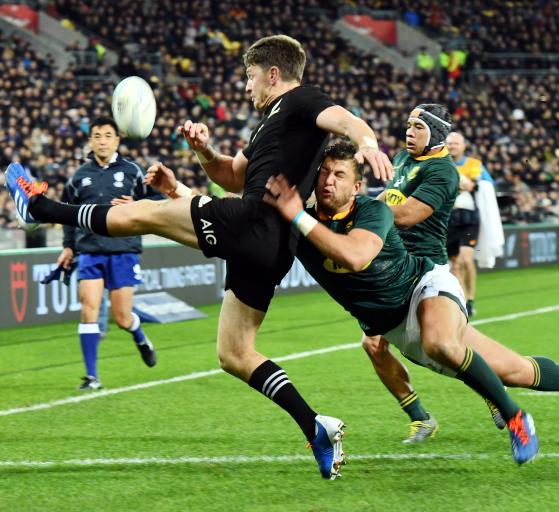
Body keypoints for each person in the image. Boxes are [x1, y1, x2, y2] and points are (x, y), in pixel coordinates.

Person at [5, 35, 392, 480]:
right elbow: (230, 174)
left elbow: (344, 118)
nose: (246, 88)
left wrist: (367, 141)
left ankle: (38, 208)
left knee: (144, 213)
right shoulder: (270, 127)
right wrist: (204, 151)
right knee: (234, 352)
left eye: (249, 77)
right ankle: (315, 426)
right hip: (272, 245)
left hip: (254, 222)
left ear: (272, 74)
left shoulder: (302, 101)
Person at [262, 141, 559, 460]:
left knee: (440, 341)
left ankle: (516, 417)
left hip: (425, 286)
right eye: (324, 172)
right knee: (516, 371)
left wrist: (295, 215)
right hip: (396, 327)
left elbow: (355, 256)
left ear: (357, 185)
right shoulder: (300, 221)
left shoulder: (372, 211)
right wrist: (206, 154)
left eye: (339, 174)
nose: (328, 180)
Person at [364, 104, 459, 442]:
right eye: (408, 125)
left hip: (426, 269)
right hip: (396, 265)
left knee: (441, 349)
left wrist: (363, 210)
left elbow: (405, 215)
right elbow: (391, 200)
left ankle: (491, 389)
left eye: (418, 126)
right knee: (374, 345)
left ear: (436, 133)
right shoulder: (404, 160)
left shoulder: (443, 171)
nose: (409, 132)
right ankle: (420, 418)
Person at [58, 116, 160, 390]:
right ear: (91, 141)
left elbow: (161, 201)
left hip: (123, 251)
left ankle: (139, 336)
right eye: (97, 136)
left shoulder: (133, 171)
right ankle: (92, 377)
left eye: (107, 135)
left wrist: (139, 203)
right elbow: (68, 215)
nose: (102, 140)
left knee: (122, 318)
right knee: (88, 310)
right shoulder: (78, 177)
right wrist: (68, 246)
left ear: (117, 140)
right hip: (89, 251)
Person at [445, 131, 496, 318]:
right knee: (455, 264)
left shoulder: (475, 165)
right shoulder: (441, 164)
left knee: (466, 259)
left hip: (469, 219)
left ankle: (471, 298)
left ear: (463, 146)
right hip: (448, 219)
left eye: (456, 143)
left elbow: (489, 187)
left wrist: (475, 184)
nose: (452, 147)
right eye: (449, 143)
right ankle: (463, 299)